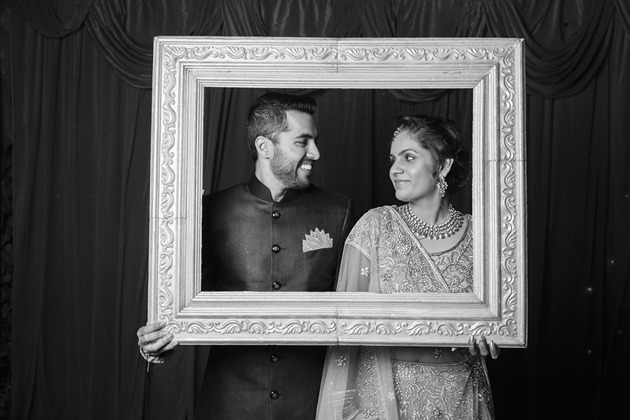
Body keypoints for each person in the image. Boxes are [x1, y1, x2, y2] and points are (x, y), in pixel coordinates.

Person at [137, 92, 354, 419]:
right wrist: (158, 337)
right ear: (265, 147)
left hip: (313, 402)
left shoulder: (339, 210)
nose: (315, 153)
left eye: (315, 141)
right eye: (302, 142)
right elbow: (179, 304)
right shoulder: (208, 211)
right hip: (230, 403)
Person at [317, 114, 498, 420]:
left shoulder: (481, 237)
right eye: (393, 159)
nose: (394, 169)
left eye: (409, 157)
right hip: (385, 399)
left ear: (443, 166)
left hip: (460, 397)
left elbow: (496, 320)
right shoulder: (375, 227)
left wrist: (492, 334)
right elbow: (345, 331)